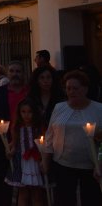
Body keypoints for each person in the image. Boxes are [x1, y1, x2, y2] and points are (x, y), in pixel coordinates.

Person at [42, 70, 102, 205]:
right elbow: (50, 135)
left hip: (91, 165)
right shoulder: (59, 107)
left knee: (92, 200)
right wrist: (45, 160)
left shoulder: (98, 110)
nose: (71, 92)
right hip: (63, 164)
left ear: (85, 89)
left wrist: (100, 164)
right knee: (64, 200)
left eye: (75, 88)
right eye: (68, 88)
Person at [0, 60, 28, 206]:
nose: (15, 74)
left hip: (25, 141)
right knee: (1, 180)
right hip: (2, 140)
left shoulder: (29, 93)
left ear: (23, 73)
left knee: (24, 182)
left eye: (18, 71)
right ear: (7, 73)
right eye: (12, 71)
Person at [4, 98, 45, 206]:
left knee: (36, 193)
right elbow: (14, 144)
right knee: (23, 192)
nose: (26, 115)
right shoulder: (17, 127)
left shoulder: (38, 127)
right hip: (22, 162)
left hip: (35, 161)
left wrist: (43, 159)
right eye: (23, 112)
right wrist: (10, 151)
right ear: (19, 112)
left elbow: (43, 144)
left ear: (34, 112)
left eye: (30, 112)